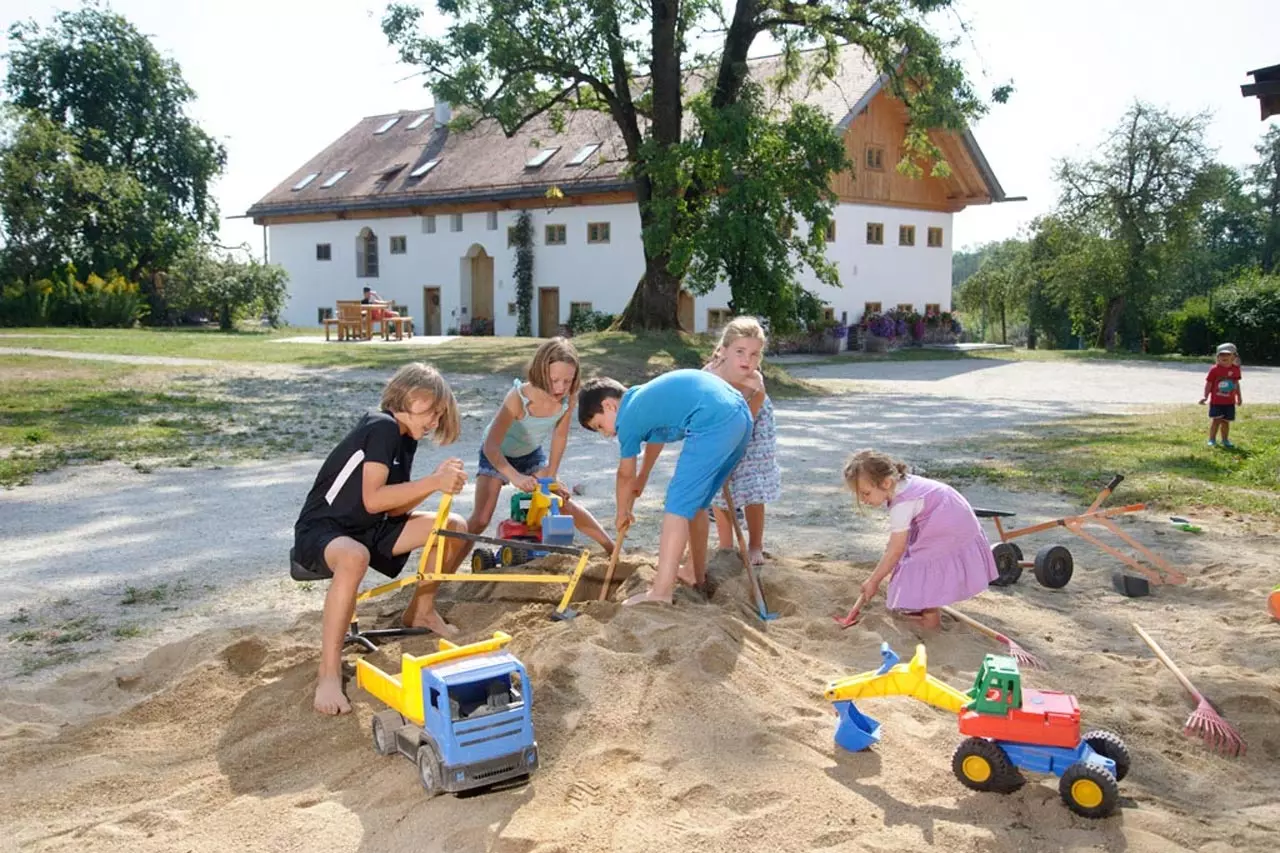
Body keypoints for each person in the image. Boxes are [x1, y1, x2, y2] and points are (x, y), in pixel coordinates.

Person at [292, 362, 468, 715]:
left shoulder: (404, 439)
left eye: (439, 415)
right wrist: (433, 482)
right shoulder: (382, 426)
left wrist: (433, 483)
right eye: (433, 412)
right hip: (324, 529)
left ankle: (422, 612)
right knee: (354, 555)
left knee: (455, 528)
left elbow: (393, 508)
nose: (435, 422)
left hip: (367, 528)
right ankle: (328, 672)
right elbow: (373, 499)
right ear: (411, 397)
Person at [579, 369, 752, 604]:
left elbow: (624, 474)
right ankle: (694, 573)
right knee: (697, 504)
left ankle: (661, 592)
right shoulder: (642, 400)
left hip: (713, 420)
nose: (605, 434)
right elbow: (656, 439)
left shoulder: (626, 418)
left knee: (677, 503)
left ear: (609, 406)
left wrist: (622, 512)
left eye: (600, 426)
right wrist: (644, 475)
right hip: (740, 415)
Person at [448, 337, 615, 563]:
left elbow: (560, 435)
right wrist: (515, 477)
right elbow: (491, 446)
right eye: (554, 380)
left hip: (530, 454)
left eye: (567, 381)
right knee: (481, 518)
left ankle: (613, 548)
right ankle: (447, 568)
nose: (560, 387)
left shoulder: (568, 398)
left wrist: (552, 474)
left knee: (560, 501)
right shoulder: (519, 397)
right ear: (540, 372)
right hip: (497, 454)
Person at [843, 449, 997, 630]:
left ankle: (930, 620)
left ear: (886, 482)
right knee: (913, 560)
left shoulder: (902, 504)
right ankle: (925, 610)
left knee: (921, 563)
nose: (863, 499)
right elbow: (896, 544)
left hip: (950, 526)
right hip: (949, 516)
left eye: (866, 493)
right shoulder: (901, 483)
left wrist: (873, 580)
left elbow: (895, 550)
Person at [700, 317, 780, 565]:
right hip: (717, 430)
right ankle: (726, 545)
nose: (747, 359)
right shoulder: (708, 375)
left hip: (752, 432)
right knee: (720, 487)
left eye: (754, 354)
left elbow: (746, 424)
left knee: (751, 485)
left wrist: (731, 450)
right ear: (724, 350)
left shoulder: (755, 384)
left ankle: (755, 545)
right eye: (740, 351)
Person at [1200, 342, 1243, 448]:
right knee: (1216, 421)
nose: (1224, 356)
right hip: (1217, 402)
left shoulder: (1236, 369)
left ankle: (1225, 440)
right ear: (1217, 356)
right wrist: (1205, 396)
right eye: (1221, 354)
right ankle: (1212, 439)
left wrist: (1239, 396)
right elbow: (1209, 384)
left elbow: (1236, 384)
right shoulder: (1214, 369)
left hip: (1229, 402)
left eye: (1228, 354)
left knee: (1225, 422)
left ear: (1234, 356)